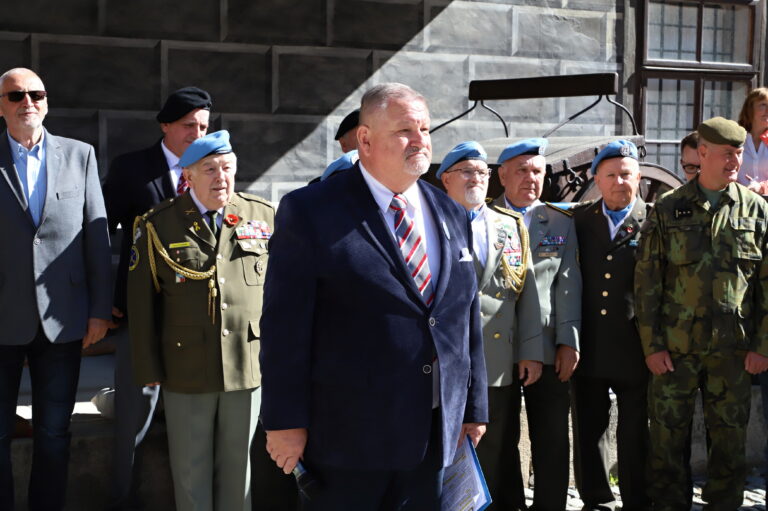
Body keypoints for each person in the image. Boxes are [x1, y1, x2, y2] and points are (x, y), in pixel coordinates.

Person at [259, 83, 488, 511]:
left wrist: (474, 407)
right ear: (364, 140)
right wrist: (285, 421)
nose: (420, 140)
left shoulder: (451, 212)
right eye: (404, 130)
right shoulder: (311, 211)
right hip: (347, 439)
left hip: (433, 433)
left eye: (425, 129)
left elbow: (465, 317)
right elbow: (284, 326)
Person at [128, 130, 274, 511]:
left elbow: (280, 295)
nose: (221, 177)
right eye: (210, 169)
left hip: (245, 364)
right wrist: (148, 369)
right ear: (188, 176)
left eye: (227, 168)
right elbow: (141, 305)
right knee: (191, 473)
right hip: (186, 367)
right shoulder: (159, 224)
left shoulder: (262, 215)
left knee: (239, 471)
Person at [635, 117, 768, 510]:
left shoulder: (757, 211)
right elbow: (647, 282)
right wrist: (652, 346)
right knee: (666, 439)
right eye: (726, 153)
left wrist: (762, 345)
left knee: (729, 440)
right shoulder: (668, 208)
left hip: (733, 351)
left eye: (739, 153)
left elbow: (766, 287)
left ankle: (723, 505)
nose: (735, 161)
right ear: (704, 152)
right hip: (675, 350)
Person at [0, 67, 112, 510]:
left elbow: (96, 236)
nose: (27, 102)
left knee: (53, 431)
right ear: (1, 106)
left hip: (62, 316)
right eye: (15, 95)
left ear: (46, 102)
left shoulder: (80, 155)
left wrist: (99, 309)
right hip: (2, 316)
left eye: (36, 94)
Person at [102, 85, 211, 510]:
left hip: (197, 317)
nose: (197, 134)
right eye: (188, 126)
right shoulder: (132, 168)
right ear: (165, 125)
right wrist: (104, 296)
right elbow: (100, 232)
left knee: (195, 423)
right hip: (141, 311)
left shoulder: (212, 168)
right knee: (133, 419)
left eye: (203, 127)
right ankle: (121, 501)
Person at [439, 140, 543, 511]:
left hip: (497, 359)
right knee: (446, 448)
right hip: (446, 360)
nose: (476, 179)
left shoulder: (509, 225)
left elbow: (527, 293)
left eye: (482, 172)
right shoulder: (432, 221)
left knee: (496, 447)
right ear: (446, 179)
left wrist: (531, 350)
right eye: (467, 171)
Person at [494, 138, 582, 511]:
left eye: (537, 172)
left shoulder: (559, 221)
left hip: (547, 345)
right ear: (502, 175)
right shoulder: (484, 218)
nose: (531, 178)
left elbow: (568, 283)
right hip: (498, 347)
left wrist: (569, 341)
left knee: (552, 436)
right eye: (522, 171)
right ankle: (509, 504)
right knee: (501, 435)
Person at [571, 140, 651, 511]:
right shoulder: (580, 220)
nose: (620, 182)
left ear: (639, 177)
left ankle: (637, 499)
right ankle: (596, 499)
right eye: (611, 175)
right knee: (589, 427)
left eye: (627, 174)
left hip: (636, 345)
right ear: (597, 180)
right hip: (590, 343)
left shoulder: (654, 221)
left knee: (635, 431)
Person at [736, 87, 768, 194]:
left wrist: (761, 188)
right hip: (739, 200)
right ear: (750, 109)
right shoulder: (736, 139)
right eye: (763, 105)